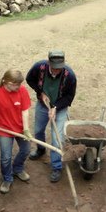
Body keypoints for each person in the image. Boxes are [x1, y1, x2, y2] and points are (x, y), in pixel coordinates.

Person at [25, 50, 77, 182]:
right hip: (43, 105)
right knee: (38, 131)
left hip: (60, 108)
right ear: (48, 62)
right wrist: (40, 91)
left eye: (59, 69)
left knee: (57, 138)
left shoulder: (69, 75)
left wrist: (56, 107)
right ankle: (41, 150)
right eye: (53, 68)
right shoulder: (39, 67)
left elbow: (69, 97)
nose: (56, 71)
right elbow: (29, 79)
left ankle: (56, 167)